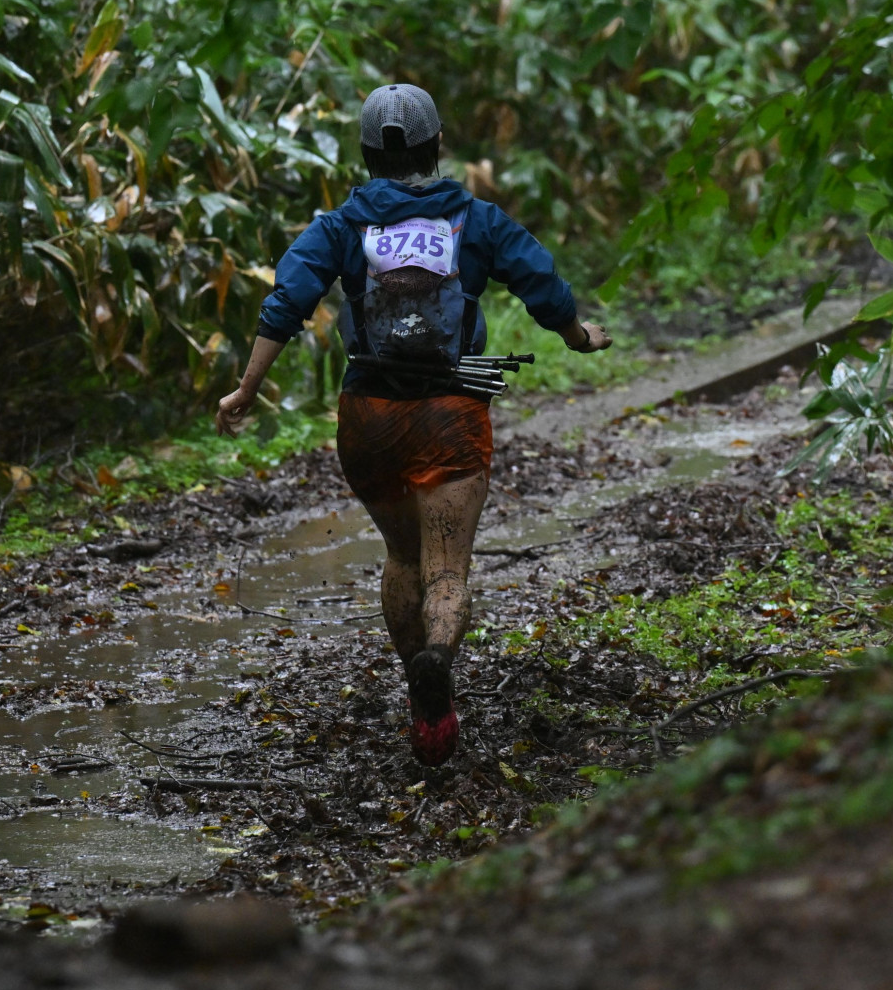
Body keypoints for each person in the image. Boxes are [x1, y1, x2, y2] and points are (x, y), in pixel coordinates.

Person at [216, 83, 611, 766]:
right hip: (451, 412)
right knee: (446, 570)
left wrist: (246, 388)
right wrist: (577, 335)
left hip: (368, 416)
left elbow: (287, 300)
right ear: (437, 146)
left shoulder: (340, 227)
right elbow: (539, 279)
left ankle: (419, 694)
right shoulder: (476, 220)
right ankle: (437, 668)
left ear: (366, 155)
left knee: (401, 557)